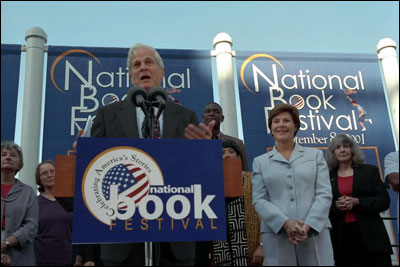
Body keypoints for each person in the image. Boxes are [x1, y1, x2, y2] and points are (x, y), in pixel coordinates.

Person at [91, 43, 213, 266]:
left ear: (162, 72)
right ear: (130, 76)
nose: (143, 68)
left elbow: (201, 177)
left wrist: (204, 153)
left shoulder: (186, 116)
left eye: (149, 62)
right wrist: (85, 157)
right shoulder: (107, 115)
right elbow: (93, 171)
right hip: (121, 235)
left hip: (175, 235)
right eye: (136, 65)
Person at [251, 103, 334, 266]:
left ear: (295, 126)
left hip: (313, 232)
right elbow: (259, 200)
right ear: (271, 127)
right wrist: (286, 223)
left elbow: (324, 194)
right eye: (276, 121)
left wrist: (307, 226)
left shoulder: (315, 155)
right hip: (277, 234)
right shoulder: (260, 162)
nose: (281, 125)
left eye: (286, 121)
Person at [326, 134, 392, 266]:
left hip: (372, 237)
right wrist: (336, 205)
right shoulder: (327, 177)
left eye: (346, 146)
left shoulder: (369, 171)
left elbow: (384, 201)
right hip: (342, 238)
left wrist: (358, 202)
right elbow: (322, 206)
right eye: (338, 147)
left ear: (352, 150)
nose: (342, 150)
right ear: (333, 153)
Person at [1, 141, 38, 266]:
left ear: (19, 164)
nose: (7, 157)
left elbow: (31, 225)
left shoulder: (28, 192)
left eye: (13, 155)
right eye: (3, 154)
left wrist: (7, 242)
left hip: (20, 256)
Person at [33, 160, 74, 266]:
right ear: (39, 179)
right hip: (41, 258)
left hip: (69, 258)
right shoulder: (34, 203)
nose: (49, 175)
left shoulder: (72, 201)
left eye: (52, 171)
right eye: (44, 173)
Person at [202, 102, 249, 171]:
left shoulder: (237, 143)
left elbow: (245, 172)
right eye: (207, 111)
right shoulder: (194, 143)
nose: (211, 114)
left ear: (222, 118)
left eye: (216, 112)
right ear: (203, 118)